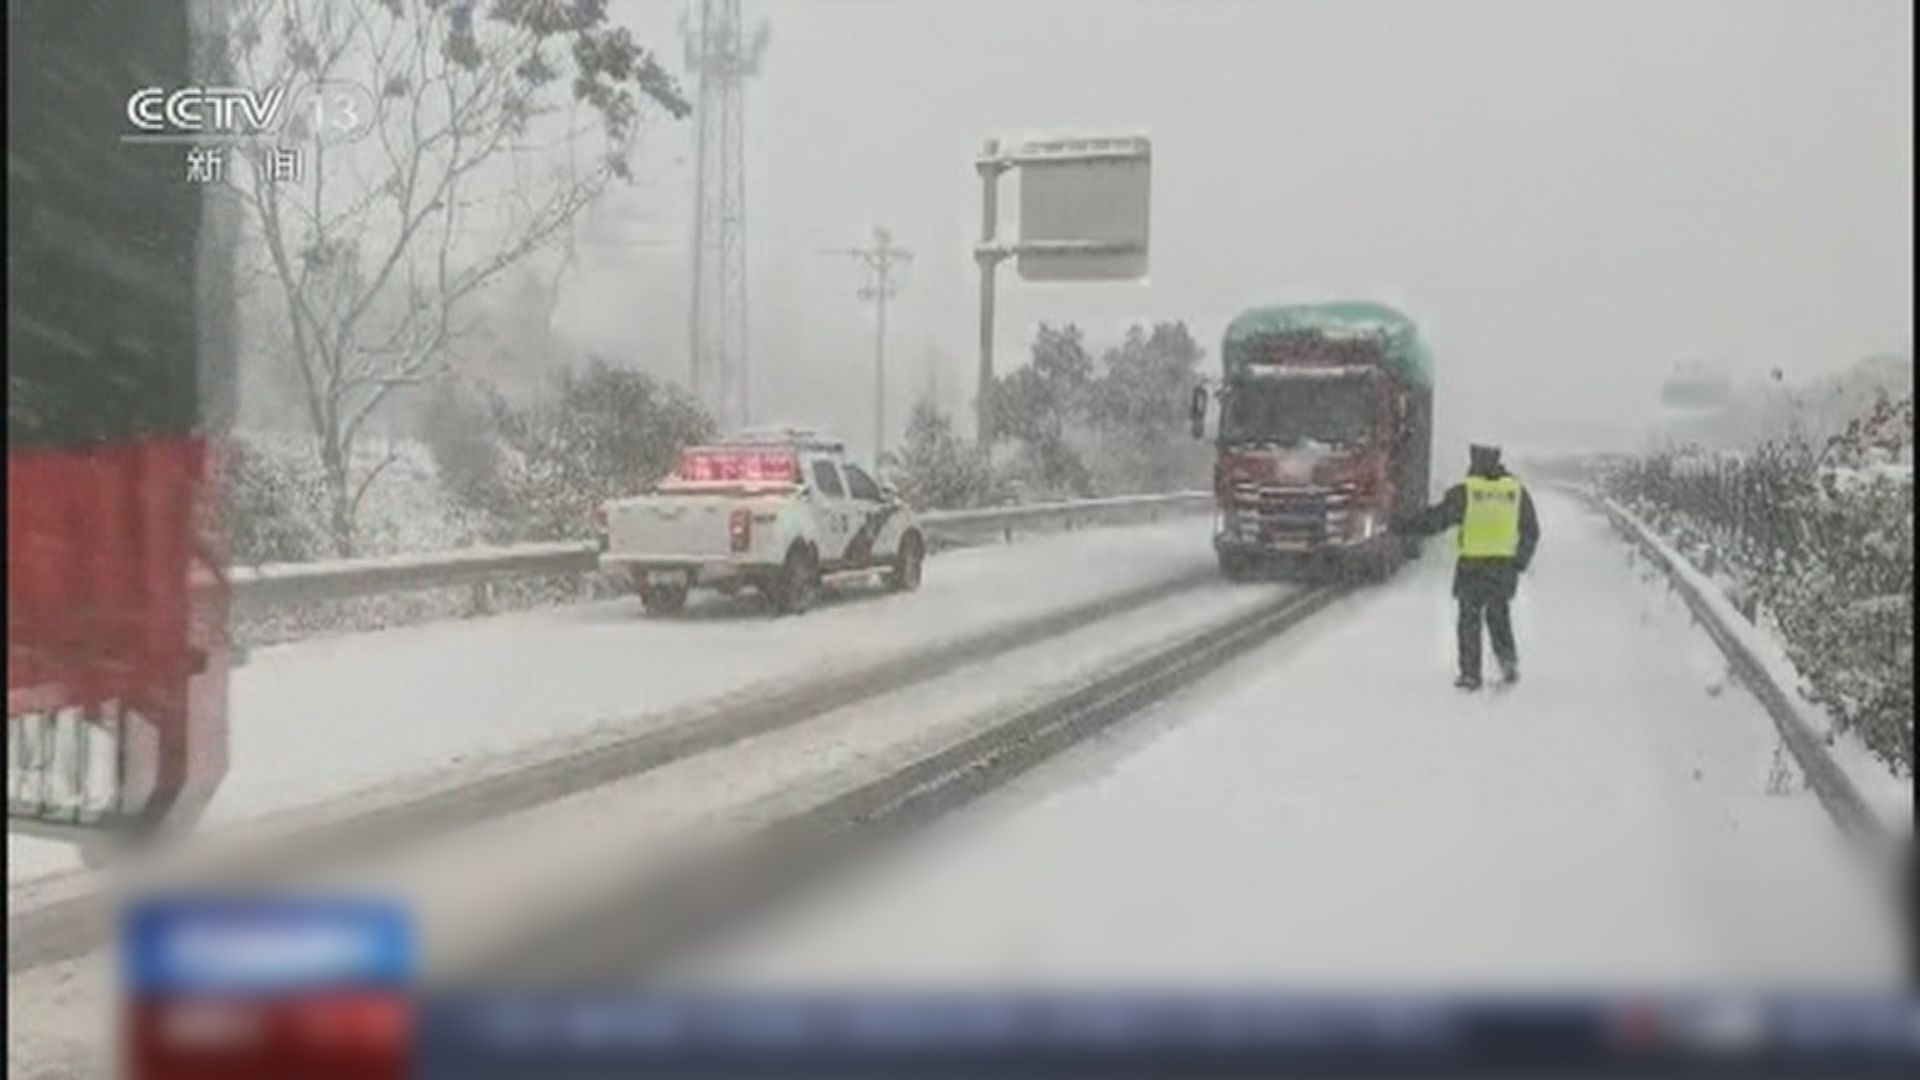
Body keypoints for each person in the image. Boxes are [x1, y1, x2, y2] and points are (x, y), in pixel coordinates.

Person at [1392, 444, 1541, 689]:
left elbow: (1435, 521)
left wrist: (1401, 526)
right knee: (1499, 616)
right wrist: (1519, 563)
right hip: (1503, 568)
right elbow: (1531, 531)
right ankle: (1508, 665)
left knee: (1469, 620)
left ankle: (1471, 674)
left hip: (1472, 566)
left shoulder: (1466, 492)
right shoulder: (1515, 491)